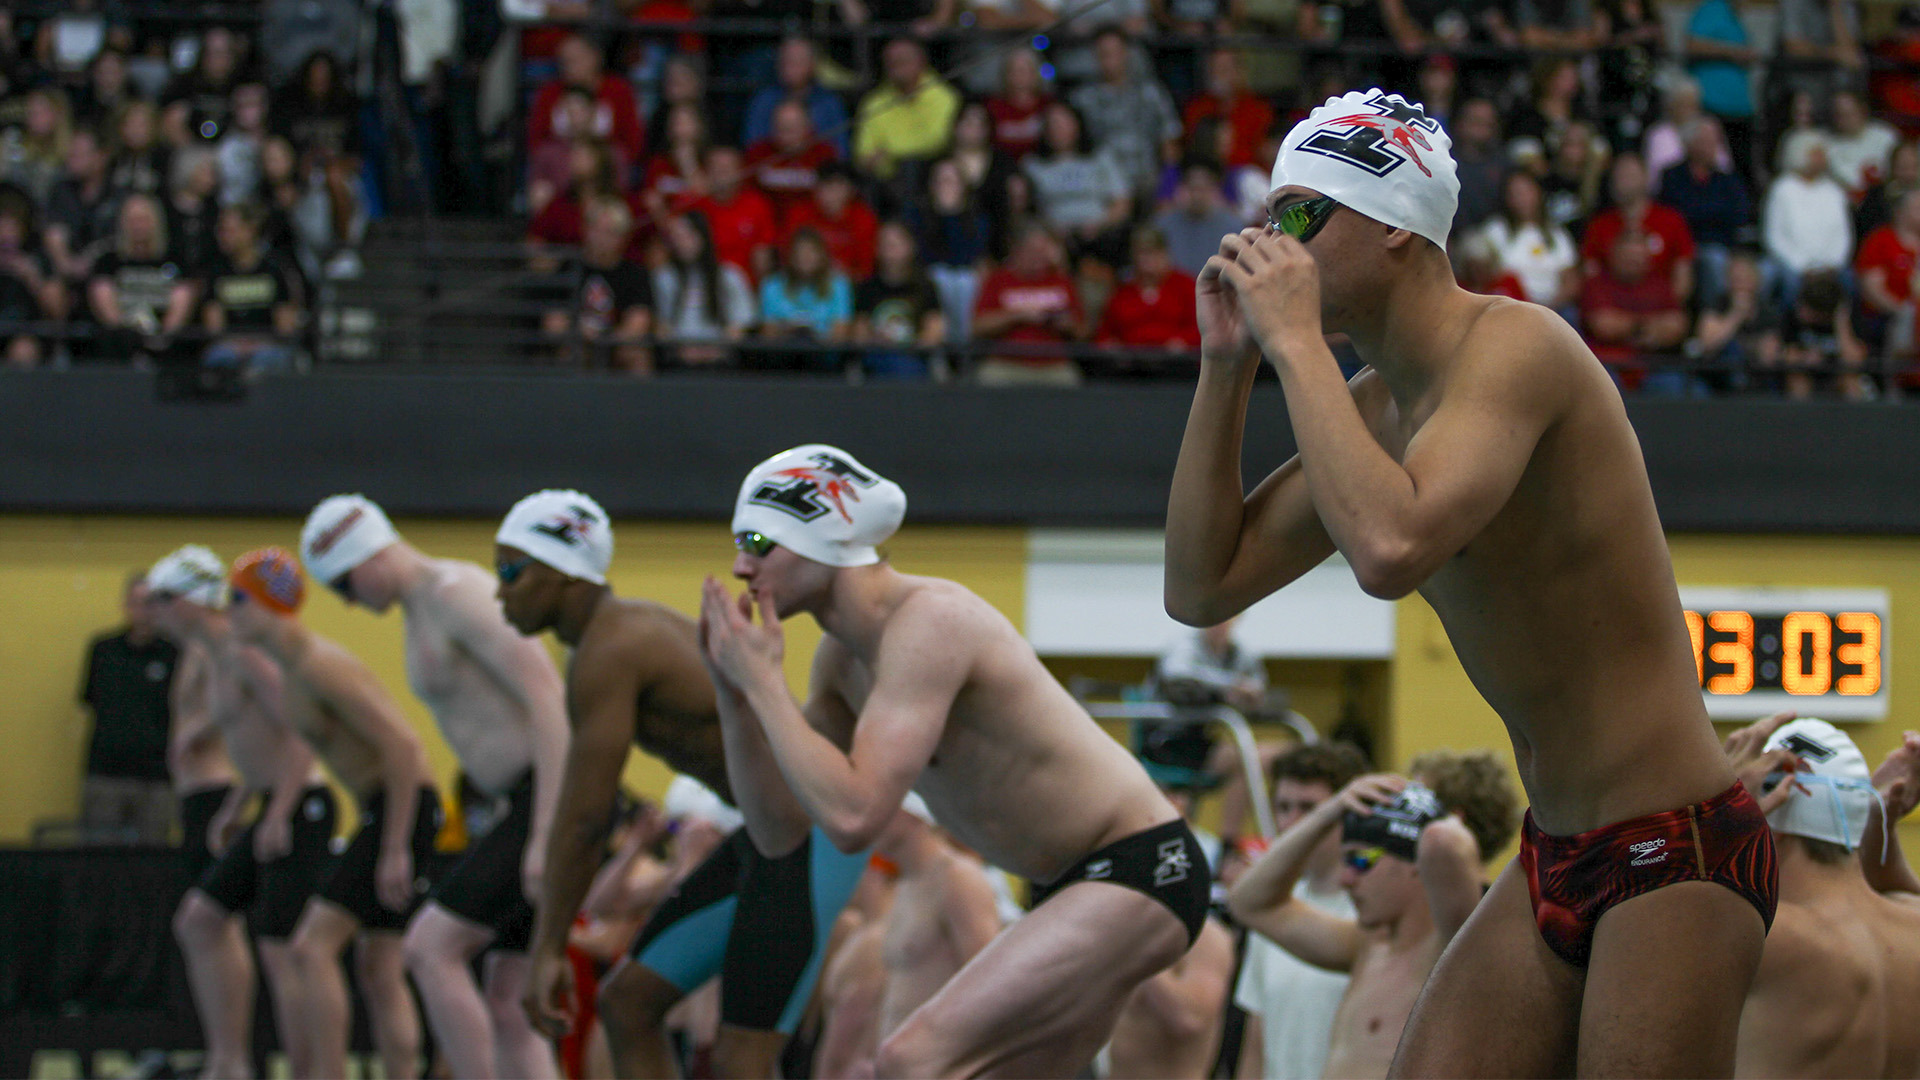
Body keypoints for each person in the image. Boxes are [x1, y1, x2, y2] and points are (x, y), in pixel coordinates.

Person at [1167, 89, 1777, 1075]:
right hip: (1554, 849)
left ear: (1398, 230)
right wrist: (1228, 370)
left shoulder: (1517, 350)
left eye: (1299, 215)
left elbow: (1390, 548)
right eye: (1266, 214)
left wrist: (1295, 346)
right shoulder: (1373, 407)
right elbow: (1200, 588)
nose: (1267, 240)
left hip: (1679, 849)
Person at [699, 444, 1210, 1076]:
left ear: (824, 539)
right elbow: (778, 828)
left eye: (757, 539)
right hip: (1069, 884)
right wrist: (735, 693)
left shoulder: (929, 623)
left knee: (913, 1060)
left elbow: (857, 817)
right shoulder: (842, 662)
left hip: (1140, 866)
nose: (741, 564)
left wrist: (766, 686)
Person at [496, 490, 869, 1079]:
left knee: (741, 1060)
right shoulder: (618, 637)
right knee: (627, 1005)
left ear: (564, 576)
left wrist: (547, 948)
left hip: (811, 839)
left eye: (512, 571)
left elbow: (586, 817)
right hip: (772, 838)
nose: (499, 590)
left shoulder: (611, 648)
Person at [296, 496, 569, 1080]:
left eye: (344, 584)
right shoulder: (421, 608)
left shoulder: (455, 592)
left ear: (367, 553)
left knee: (429, 950)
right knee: (507, 1002)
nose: (348, 601)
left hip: (546, 796)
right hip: (520, 802)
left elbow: (549, 697)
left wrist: (546, 829)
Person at [224, 547, 442, 1080]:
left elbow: (403, 748)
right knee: (379, 967)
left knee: (310, 949)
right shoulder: (293, 669)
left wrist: (393, 846)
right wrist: (244, 804)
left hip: (401, 804)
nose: (226, 613)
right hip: (387, 808)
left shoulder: (321, 665)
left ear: (267, 604)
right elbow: (297, 752)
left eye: (235, 599)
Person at [147, 546, 333, 1080]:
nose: (154, 611)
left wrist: (279, 810)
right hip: (268, 805)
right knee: (200, 920)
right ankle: (230, 1062)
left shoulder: (243, 652)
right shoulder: (222, 655)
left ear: (190, 601)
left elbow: (303, 729)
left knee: (285, 953)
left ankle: (304, 1071)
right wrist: (240, 806)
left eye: (162, 599)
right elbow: (256, 747)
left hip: (300, 806)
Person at [1227, 777, 1483, 1079]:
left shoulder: (1449, 951)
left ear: (1418, 862)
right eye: (1345, 861)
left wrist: (1427, 808)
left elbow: (1446, 843)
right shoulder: (1364, 948)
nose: (1346, 879)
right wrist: (1328, 812)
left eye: (1361, 860)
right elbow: (1249, 903)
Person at [1721, 714, 1920, 1078]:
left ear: (1766, 820)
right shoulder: (1913, 927)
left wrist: (1717, 820)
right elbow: (1893, 888)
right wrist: (1879, 822)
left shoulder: (1757, 938)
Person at [1232, 742, 1370, 1080]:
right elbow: (1256, 1038)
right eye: (1283, 807)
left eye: (1308, 809)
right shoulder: (1270, 907)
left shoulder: (1372, 911)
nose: (1292, 822)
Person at [872, 796, 1003, 1052]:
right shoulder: (905, 885)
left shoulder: (958, 878)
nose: (870, 819)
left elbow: (989, 986)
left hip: (937, 1061)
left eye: (882, 807)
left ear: (913, 813)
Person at [77, 570, 178, 842]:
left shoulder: (175, 655)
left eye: (151, 603)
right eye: (137, 602)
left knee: (151, 862)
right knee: (99, 858)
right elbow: (90, 701)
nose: (144, 611)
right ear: (126, 605)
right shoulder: (104, 651)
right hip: (106, 773)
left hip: (156, 776)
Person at [543, 196, 654, 374]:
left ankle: (640, 402)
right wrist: (580, 331)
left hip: (616, 347)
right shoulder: (568, 268)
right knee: (570, 352)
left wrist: (603, 339)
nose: (602, 238)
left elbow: (638, 324)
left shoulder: (634, 273)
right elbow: (553, 324)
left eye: (611, 232)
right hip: (578, 342)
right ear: (585, 229)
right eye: (597, 230)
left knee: (637, 354)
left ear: (624, 237)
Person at [971, 223, 1086, 385]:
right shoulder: (998, 280)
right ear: (1018, 251)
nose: (1039, 257)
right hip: (1006, 363)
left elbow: (1082, 332)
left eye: (1043, 251)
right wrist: (1019, 316)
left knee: (1071, 381)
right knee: (987, 379)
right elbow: (978, 327)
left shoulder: (1062, 281)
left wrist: (1066, 324)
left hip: (1054, 365)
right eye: (1033, 251)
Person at [741, 37, 850, 158]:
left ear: (812, 65)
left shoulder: (829, 102)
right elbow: (753, 147)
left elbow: (840, 151)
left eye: (796, 62)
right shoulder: (763, 100)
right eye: (784, 62)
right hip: (772, 171)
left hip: (818, 171)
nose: (788, 68)